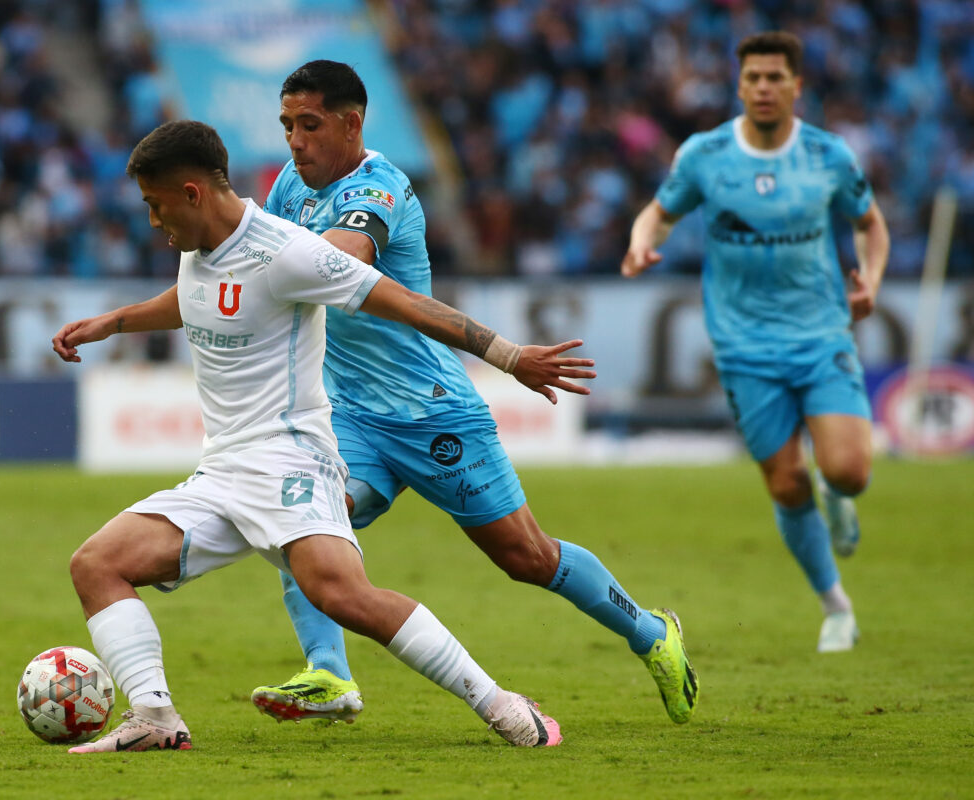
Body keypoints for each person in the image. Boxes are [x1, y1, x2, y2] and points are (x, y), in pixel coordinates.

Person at [50, 119, 596, 752]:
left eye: (155, 204)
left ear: (193, 192)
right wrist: (114, 321)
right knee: (96, 565)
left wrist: (508, 356)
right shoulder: (198, 247)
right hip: (222, 473)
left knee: (342, 595)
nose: (151, 220)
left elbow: (407, 303)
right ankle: (154, 719)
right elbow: (198, 297)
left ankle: (500, 704)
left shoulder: (287, 252)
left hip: (290, 463)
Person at [250, 60, 698, 728]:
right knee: (305, 524)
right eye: (287, 125)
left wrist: (251, 252)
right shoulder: (293, 184)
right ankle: (331, 676)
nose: (295, 140)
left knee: (527, 557)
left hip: (432, 411)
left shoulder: (380, 190)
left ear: (351, 123)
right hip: (353, 418)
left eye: (309, 125)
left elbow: (339, 261)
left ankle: (651, 631)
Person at [621, 32, 890, 653]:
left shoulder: (829, 155)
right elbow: (660, 212)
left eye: (776, 78)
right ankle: (836, 607)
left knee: (849, 472)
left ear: (798, 86)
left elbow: (871, 225)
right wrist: (641, 240)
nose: (764, 88)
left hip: (821, 332)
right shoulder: (705, 154)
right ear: (738, 86)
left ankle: (839, 493)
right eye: (753, 79)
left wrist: (870, 280)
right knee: (785, 483)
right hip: (744, 347)